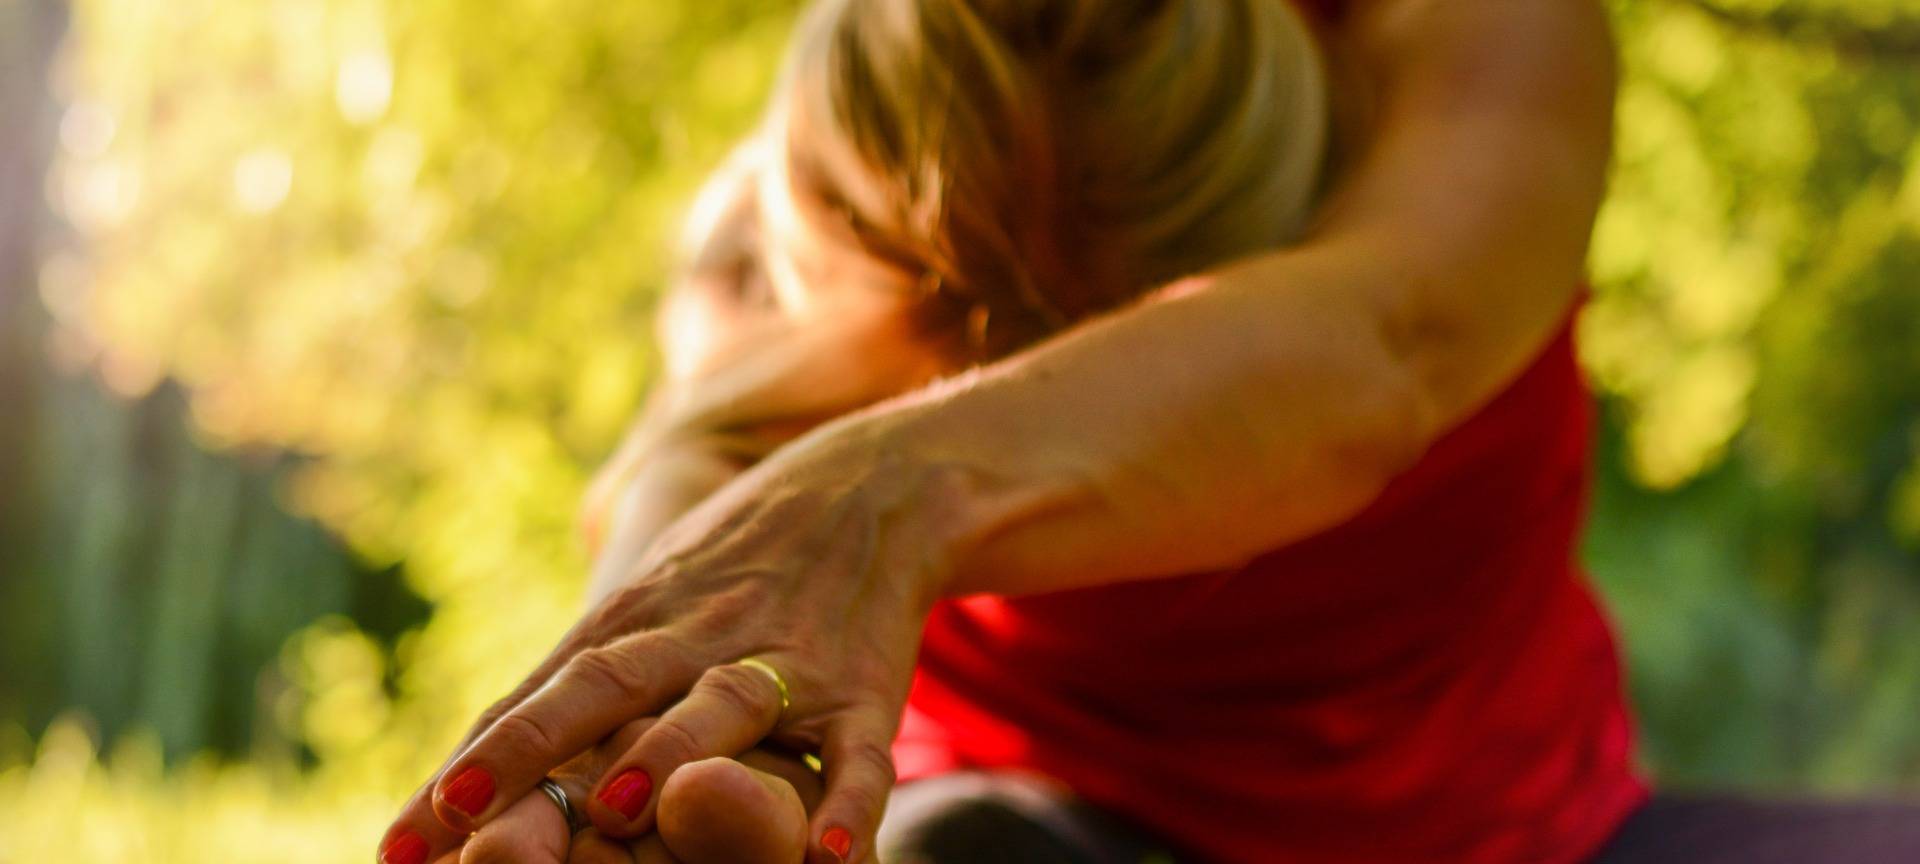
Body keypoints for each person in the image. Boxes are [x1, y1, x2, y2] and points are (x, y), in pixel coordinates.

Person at [376, 0, 1650, 860]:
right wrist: (619, 752)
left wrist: (875, 488)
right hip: (1010, 818)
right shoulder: (813, 174)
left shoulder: (1480, 39)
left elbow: (1388, 340)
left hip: (1500, 828)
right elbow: (707, 452)